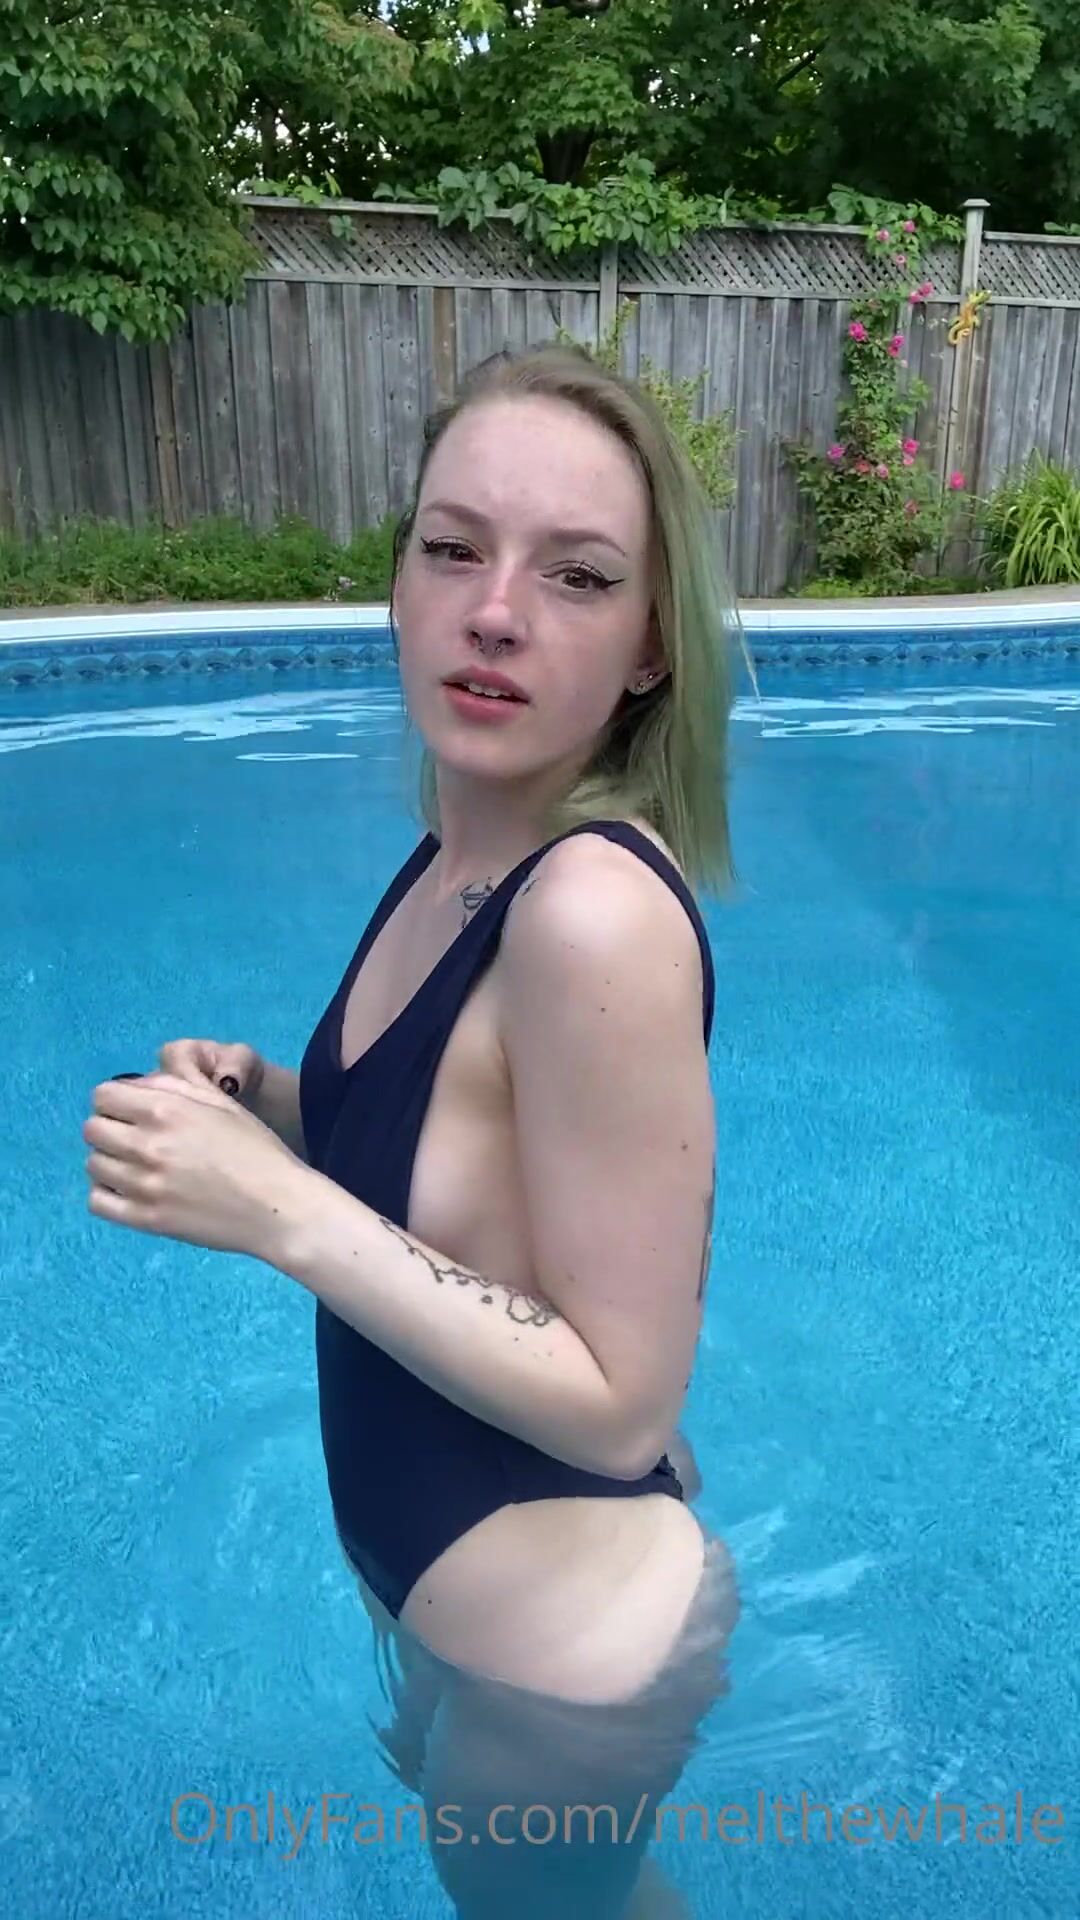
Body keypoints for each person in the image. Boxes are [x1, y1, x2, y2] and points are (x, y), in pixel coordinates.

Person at [84, 344, 741, 1917]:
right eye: (454, 548)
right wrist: (281, 1107)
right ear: (398, 580)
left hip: (565, 1669)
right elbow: (461, 1151)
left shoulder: (590, 910)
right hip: (460, 1604)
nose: (495, 610)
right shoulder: (460, 853)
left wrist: (275, 1209)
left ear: (652, 644)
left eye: (578, 575)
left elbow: (623, 1407)